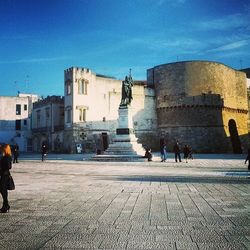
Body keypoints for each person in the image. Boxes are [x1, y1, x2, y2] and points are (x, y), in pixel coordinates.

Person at [0, 144, 12, 213]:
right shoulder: (4, 156)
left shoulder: (7, 157)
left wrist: (1, 168)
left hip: (5, 175)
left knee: (3, 190)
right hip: (3, 175)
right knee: (3, 190)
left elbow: (9, 166)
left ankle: (6, 205)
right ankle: (6, 205)